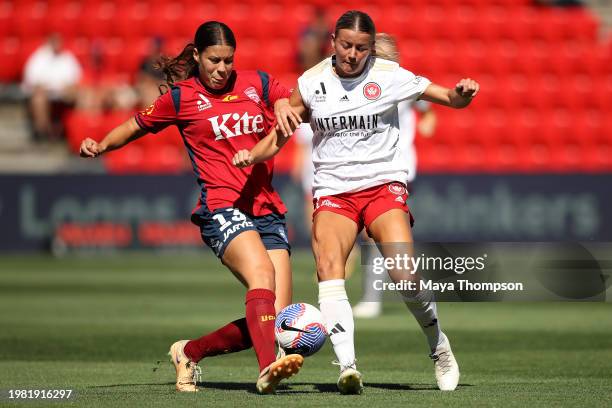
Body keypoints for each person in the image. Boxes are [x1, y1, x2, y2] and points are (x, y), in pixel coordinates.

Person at [232, 10, 479, 394]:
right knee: (329, 269)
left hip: (382, 185)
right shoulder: (312, 82)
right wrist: (255, 154)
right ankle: (348, 367)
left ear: (371, 48)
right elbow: (282, 133)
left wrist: (461, 95)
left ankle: (438, 345)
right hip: (332, 191)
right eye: (346, 45)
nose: (352, 54)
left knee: (404, 274)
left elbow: (447, 97)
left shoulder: (388, 76)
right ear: (333, 41)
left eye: (361, 48)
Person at [78, 21, 304, 395]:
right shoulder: (181, 98)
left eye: (229, 61)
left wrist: (281, 103)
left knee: (275, 320)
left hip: (267, 209)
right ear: (197, 56)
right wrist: (102, 145)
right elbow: (137, 125)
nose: (222, 68)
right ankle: (268, 369)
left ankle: (188, 352)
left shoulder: (257, 83)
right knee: (261, 273)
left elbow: (288, 98)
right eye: (215, 60)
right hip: (222, 206)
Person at [352, 33, 437, 319]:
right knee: (376, 235)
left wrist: (427, 123)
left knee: (375, 232)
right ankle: (398, 292)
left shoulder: (402, 80)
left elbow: (427, 107)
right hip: (374, 165)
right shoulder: (364, 85)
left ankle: (374, 298)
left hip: (397, 166)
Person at [22, 33, 82, 143]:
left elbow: (76, 79)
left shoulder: (67, 57)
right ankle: (43, 130)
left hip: (63, 93)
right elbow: (33, 81)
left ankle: (75, 131)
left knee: (80, 97)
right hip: (45, 92)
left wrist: (68, 88)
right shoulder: (39, 57)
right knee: (39, 99)